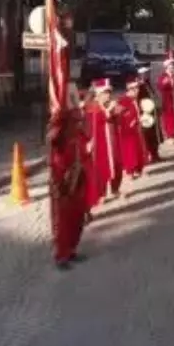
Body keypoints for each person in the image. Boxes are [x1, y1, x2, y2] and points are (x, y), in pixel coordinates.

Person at [49, 107, 88, 270]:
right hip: (63, 184)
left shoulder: (78, 135)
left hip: (77, 180)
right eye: (76, 121)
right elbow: (57, 161)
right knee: (63, 222)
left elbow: (84, 151)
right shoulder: (59, 137)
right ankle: (61, 256)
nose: (79, 123)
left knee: (77, 219)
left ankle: (72, 249)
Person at [83, 79, 123, 209]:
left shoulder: (108, 104)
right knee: (101, 169)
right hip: (100, 144)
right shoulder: (93, 107)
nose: (109, 95)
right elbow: (96, 122)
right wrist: (108, 111)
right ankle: (101, 194)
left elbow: (119, 114)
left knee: (115, 163)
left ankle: (115, 188)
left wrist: (116, 110)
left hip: (111, 140)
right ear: (99, 94)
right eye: (106, 93)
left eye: (109, 92)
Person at [117, 78, 149, 179]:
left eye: (137, 88)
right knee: (130, 151)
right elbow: (119, 116)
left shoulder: (135, 99)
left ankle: (138, 169)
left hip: (136, 129)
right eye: (133, 88)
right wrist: (130, 121)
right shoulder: (123, 101)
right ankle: (131, 171)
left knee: (139, 149)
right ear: (129, 90)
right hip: (127, 132)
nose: (137, 90)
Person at [135, 65, 162, 163]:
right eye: (145, 74)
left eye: (148, 73)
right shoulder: (139, 87)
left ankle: (156, 154)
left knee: (155, 135)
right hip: (146, 114)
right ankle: (150, 155)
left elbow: (153, 97)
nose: (147, 75)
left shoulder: (148, 84)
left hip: (153, 112)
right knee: (148, 136)